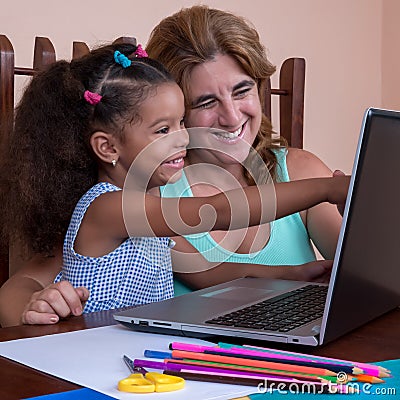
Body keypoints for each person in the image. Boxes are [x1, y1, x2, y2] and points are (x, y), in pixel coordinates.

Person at [0, 44, 348, 327]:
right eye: (163, 130)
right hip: (90, 355)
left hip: (136, 356)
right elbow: (222, 210)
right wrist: (326, 189)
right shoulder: (111, 208)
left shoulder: (148, 206)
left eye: (182, 122)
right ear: (108, 147)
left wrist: (293, 273)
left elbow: (207, 273)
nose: (183, 139)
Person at [145, 5, 344, 295]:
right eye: (206, 103)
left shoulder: (302, 173)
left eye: (242, 92)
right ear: (174, 111)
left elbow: (377, 282)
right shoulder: (152, 193)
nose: (233, 118)